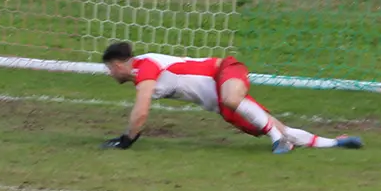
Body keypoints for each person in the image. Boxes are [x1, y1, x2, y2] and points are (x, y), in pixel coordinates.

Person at [99, 41, 364, 154]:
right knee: (275, 126)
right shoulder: (142, 76)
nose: (110, 74)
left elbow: (142, 111)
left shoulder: (145, 67)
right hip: (220, 104)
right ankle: (335, 143)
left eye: (110, 69)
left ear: (119, 65)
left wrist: (125, 142)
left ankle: (279, 142)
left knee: (231, 99)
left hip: (224, 72)